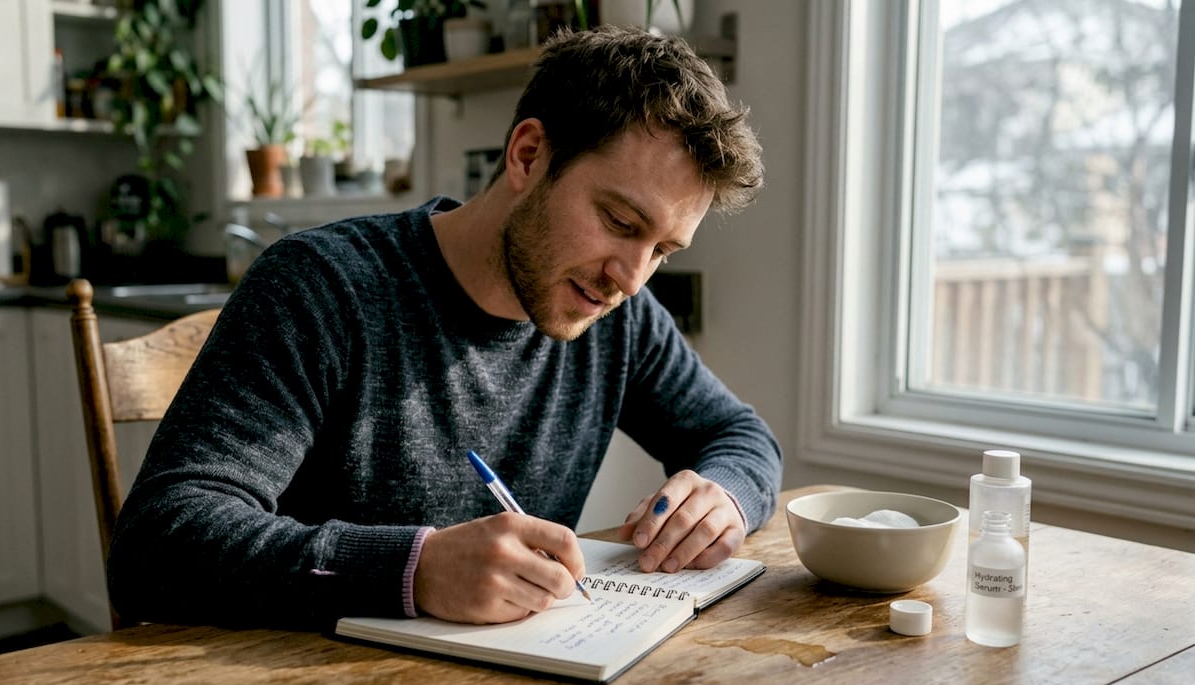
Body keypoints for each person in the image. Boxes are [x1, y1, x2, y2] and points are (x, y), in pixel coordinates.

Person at [108, 26, 781, 630]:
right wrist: (414, 568)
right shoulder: (322, 287)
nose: (631, 278)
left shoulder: (620, 319)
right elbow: (158, 545)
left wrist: (722, 495)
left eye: (662, 250)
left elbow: (741, 436)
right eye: (620, 223)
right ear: (527, 155)